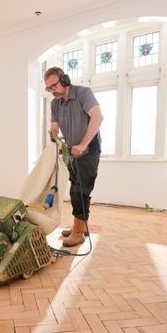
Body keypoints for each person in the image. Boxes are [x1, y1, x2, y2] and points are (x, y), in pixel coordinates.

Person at [44, 67, 104, 247]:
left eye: (54, 85)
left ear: (65, 80)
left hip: (89, 149)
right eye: (49, 88)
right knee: (76, 189)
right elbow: (54, 126)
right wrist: (54, 137)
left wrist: (84, 144)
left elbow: (98, 117)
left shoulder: (83, 93)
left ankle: (78, 232)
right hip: (71, 151)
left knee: (80, 191)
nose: (52, 90)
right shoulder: (55, 103)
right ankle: (80, 226)